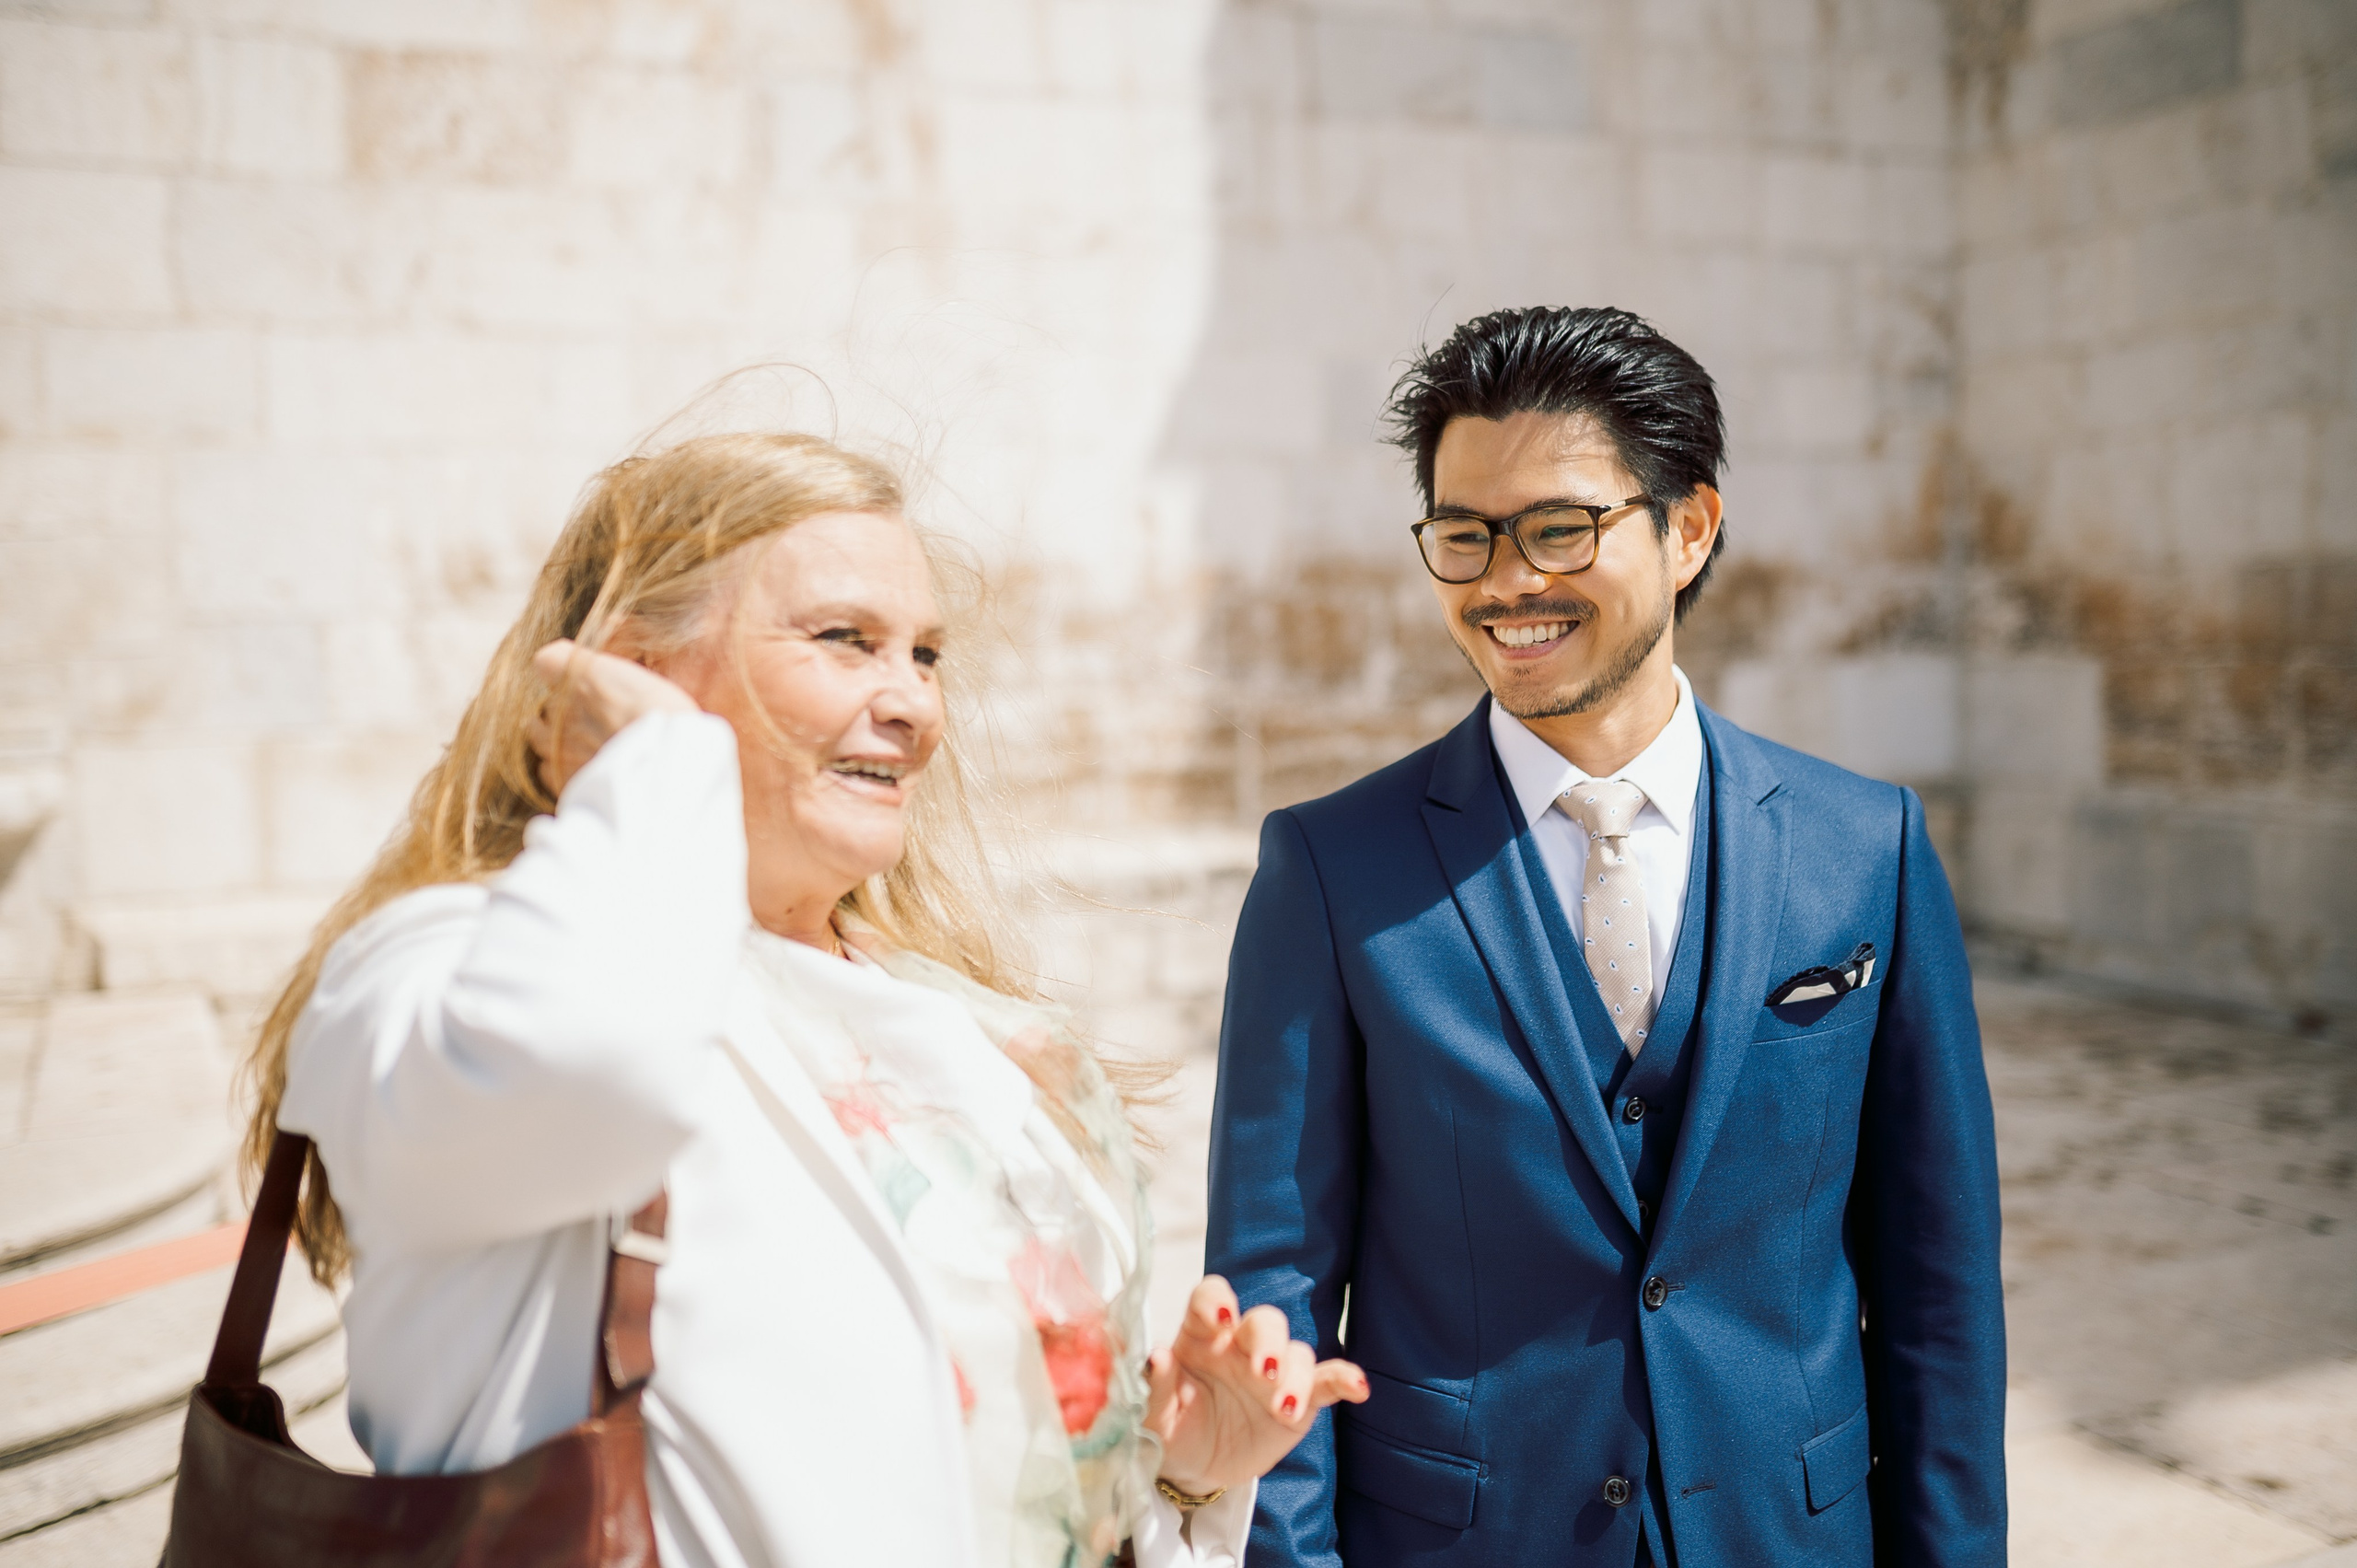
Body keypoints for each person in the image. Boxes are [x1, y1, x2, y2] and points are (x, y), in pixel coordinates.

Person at [244, 430, 1367, 1568]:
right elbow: (597, 1075)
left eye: (924, 653)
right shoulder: (436, 967)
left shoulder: (960, 1031)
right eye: (846, 641)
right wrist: (647, 769)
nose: (917, 707)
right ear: (636, 667)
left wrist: (1164, 1466)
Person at [1203, 308, 2006, 1567]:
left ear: (1689, 529)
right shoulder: (1329, 869)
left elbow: (1938, 1286)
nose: (1507, 580)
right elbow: (1276, 1288)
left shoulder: (1870, 849)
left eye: (1561, 528)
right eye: (1465, 535)